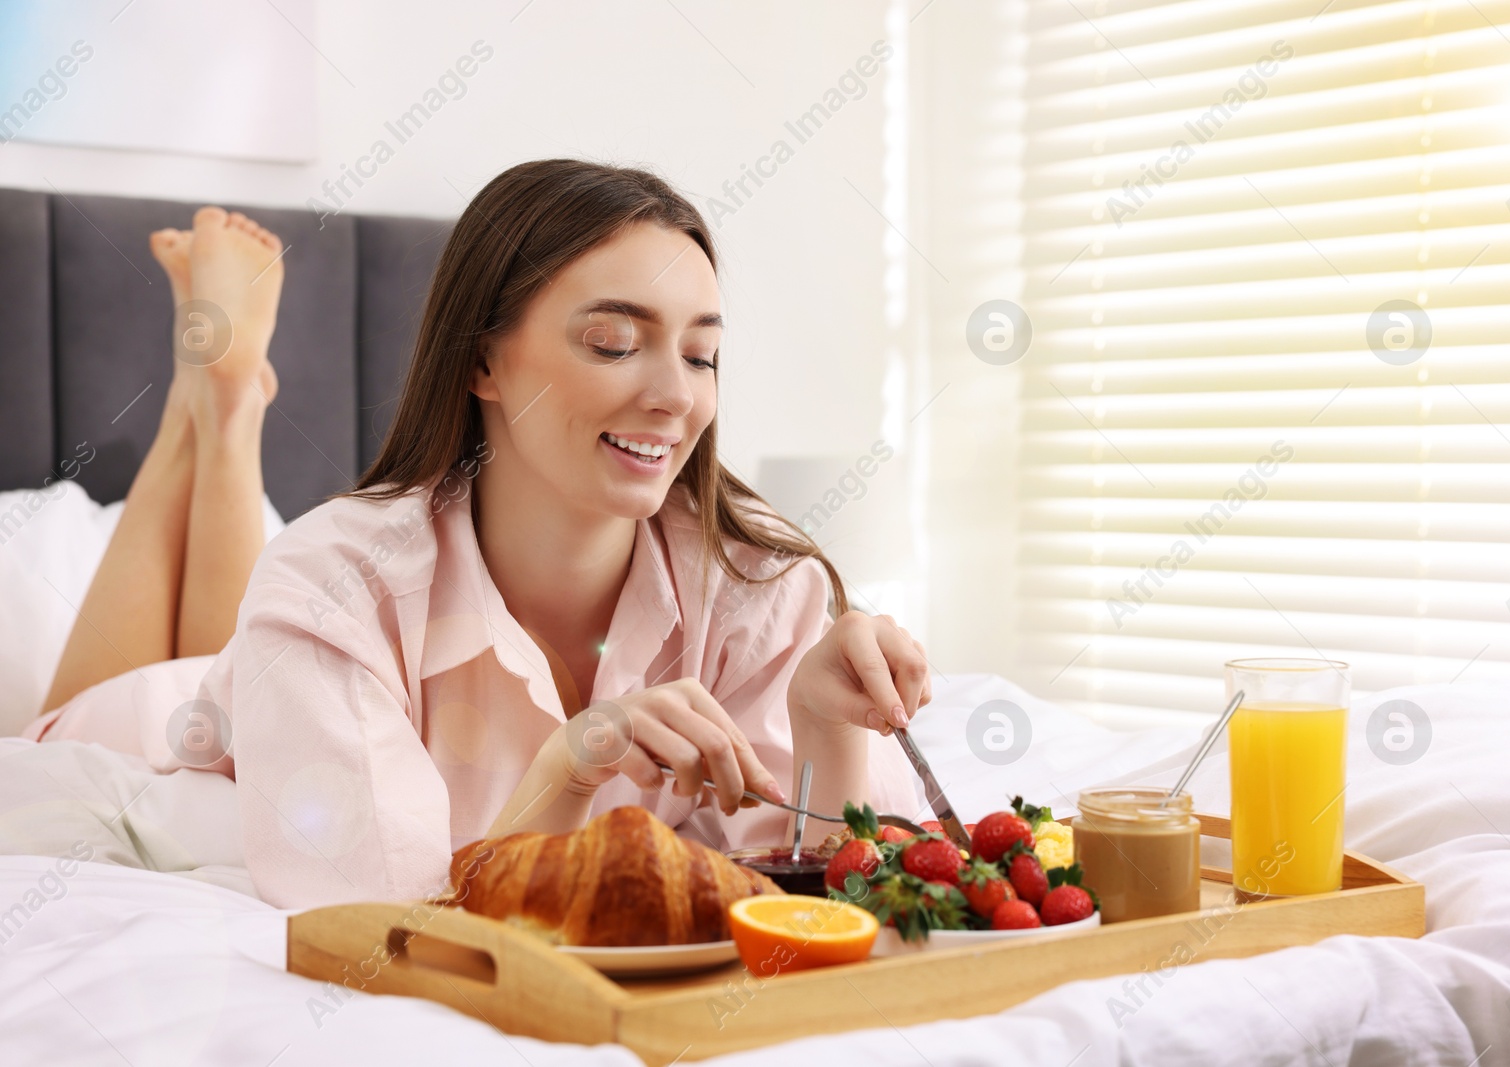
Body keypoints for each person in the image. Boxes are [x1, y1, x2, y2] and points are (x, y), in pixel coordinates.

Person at [27, 160, 928, 909]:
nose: (675, 395)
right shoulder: (332, 577)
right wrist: (568, 768)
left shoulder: (755, 584)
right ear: (480, 361)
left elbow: (833, 899)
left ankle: (220, 400)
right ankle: (215, 405)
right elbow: (385, 920)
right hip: (182, 726)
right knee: (76, 714)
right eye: (614, 341)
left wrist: (822, 727)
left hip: (287, 658)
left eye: (702, 354)